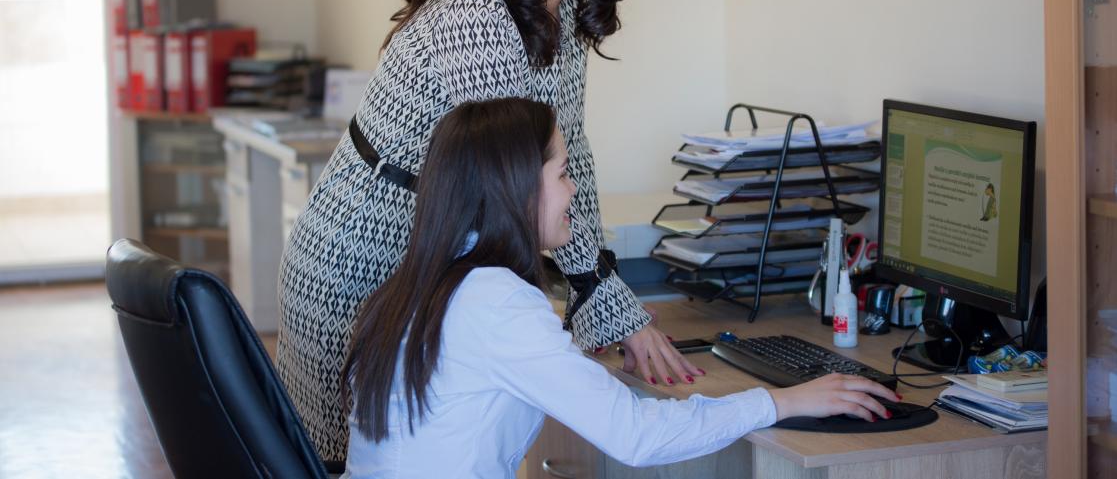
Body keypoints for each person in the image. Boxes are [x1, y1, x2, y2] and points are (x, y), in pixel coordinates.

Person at [278, 0, 698, 462]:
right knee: (350, 458)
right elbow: (520, 178)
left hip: (432, 254)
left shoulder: (566, 11)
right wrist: (612, 309)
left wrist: (601, 295)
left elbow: (568, 154)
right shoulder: (479, 17)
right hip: (363, 253)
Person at [339, 98, 899, 478]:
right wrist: (781, 401)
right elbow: (634, 436)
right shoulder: (495, 302)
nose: (573, 188)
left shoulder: (420, 283)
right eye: (561, 174)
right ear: (515, 188)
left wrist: (572, 357)